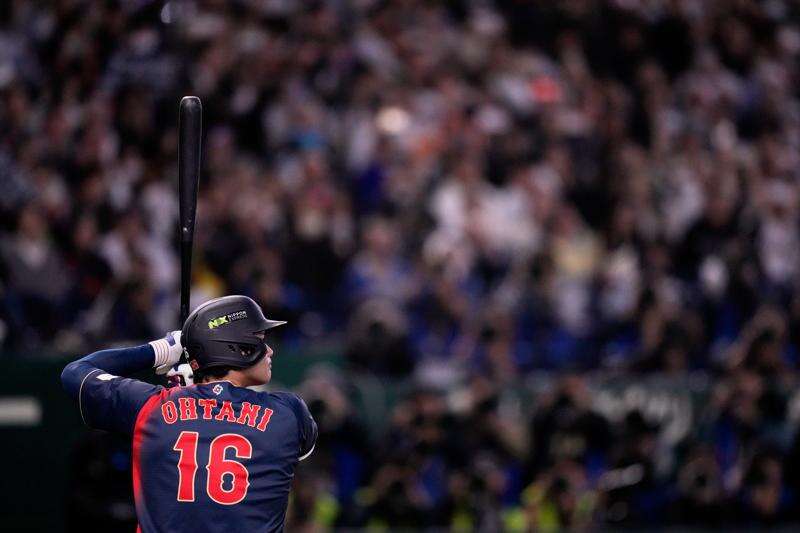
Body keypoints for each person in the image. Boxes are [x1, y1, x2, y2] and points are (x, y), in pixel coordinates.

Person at [61, 295, 317, 533]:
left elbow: (75, 373)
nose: (270, 350)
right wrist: (199, 395)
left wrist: (161, 350)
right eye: (260, 339)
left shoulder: (151, 406)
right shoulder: (289, 412)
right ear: (240, 348)